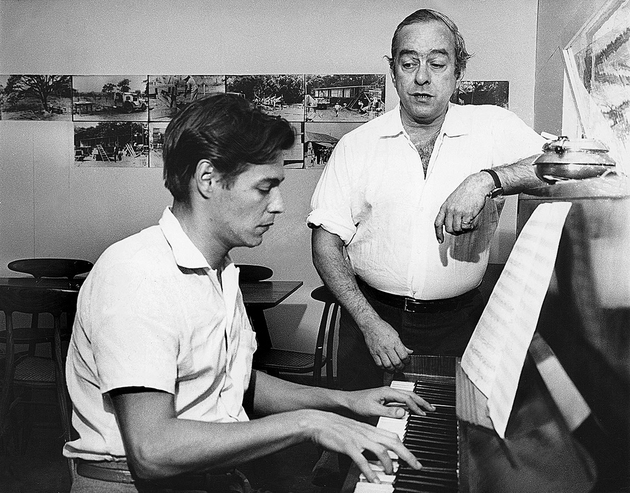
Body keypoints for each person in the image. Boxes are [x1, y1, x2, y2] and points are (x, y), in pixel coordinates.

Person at [63, 93, 434, 493]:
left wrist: (344, 400)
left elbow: (234, 382)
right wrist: (307, 424)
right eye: (264, 188)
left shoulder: (219, 270)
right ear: (207, 179)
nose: (278, 205)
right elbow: (152, 450)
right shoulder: (137, 273)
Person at [307, 9, 547, 393]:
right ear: (393, 72)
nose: (422, 77)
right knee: (360, 426)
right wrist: (369, 323)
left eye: (437, 63)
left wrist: (487, 179)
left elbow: (562, 167)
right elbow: (325, 244)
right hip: (370, 319)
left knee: (453, 425)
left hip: (458, 324)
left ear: (458, 72)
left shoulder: (493, 127)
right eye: (409, 64)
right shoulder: (357, 146)